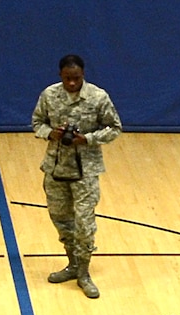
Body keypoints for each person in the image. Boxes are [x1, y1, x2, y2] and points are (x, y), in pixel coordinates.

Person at [31, 54, 122, 298]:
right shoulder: (49, 95)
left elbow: (115, 128)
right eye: (68, 79)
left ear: (83, 75)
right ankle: (72, 263)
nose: (72, 83)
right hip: (56, 167)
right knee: (60, 218)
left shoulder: (97, 97)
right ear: (60, 75)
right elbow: (37, 123)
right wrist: (52, 133)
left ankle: (84, 272)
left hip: (86, 170)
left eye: (77, 78)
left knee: (84, 223)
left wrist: (88, 139)